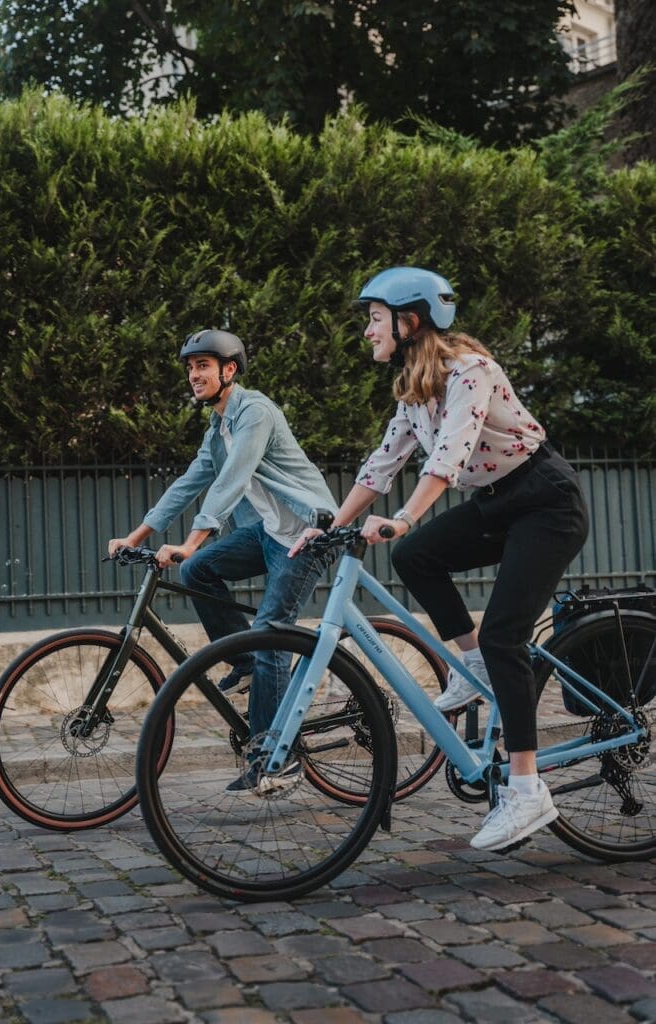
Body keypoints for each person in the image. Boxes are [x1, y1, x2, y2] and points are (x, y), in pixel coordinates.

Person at [290, 267, 589, 851]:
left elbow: (448, 456)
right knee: (416, 555)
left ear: (410, 321)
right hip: (499, 502)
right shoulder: (413, 390)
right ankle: (474, 665)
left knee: (506, 635)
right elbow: (381, 465)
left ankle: (526, 791)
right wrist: (328, 527)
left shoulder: (469, 372)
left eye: (375, 320)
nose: (367, 332)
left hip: (546, 501)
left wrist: (402, 516)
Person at [109, 328, 337, 791]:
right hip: (271, 532)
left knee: (271, 633)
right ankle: (249, 664)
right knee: (198, 571)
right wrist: (135, 535)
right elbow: (189, 483)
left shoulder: (254, 413)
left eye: (203, 366)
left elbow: (231, 483)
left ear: (229, 370)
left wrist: (191, 540)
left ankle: (273, 757)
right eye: (191, 368)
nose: (194, 375)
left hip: (306, 534)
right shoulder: (219, 425)